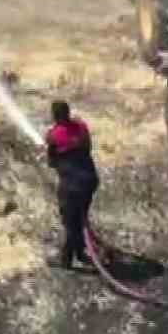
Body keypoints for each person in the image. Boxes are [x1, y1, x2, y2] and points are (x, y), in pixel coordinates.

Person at [44, 99, 100, 269]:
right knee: (80, 217)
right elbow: (88, 148)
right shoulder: (82, 127)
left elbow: (52, 162)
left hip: (72, 186)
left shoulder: (53, 135)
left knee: (70, 221)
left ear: (54, 116)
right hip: (90, 180)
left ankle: (66, 260)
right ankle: (80, 252)